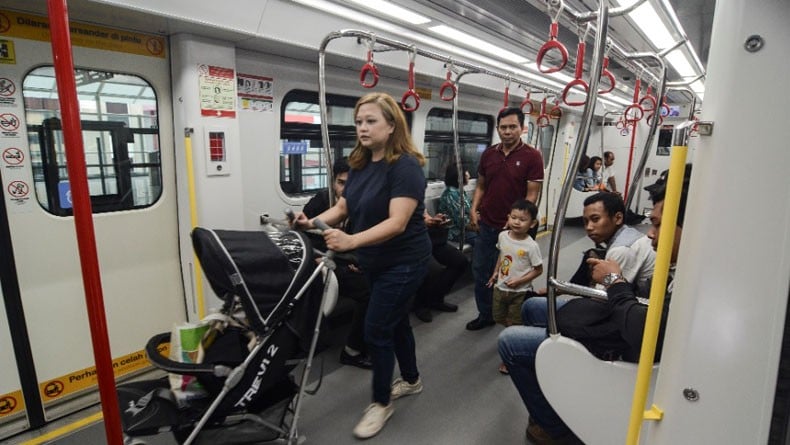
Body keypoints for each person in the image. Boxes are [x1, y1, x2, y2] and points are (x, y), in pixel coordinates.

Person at [497, 164, 692, 445]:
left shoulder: (622, 250)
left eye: (659, 225)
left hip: (624, 335)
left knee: (510, 342)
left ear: (617, 218)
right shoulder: (674, 263)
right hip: (623, 310)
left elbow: (630, 315)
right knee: (532, 308)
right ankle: (552, 380)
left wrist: (612, 279)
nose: (650, 233)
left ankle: (554, 429)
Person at [292, 92, 431, 440]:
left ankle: (381, 403)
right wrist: (310, 222)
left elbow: (397, 222)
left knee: (376, 330)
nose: (362, 128)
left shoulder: (406, 167)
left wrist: (351, 241)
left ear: (391, 124)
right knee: (395, 322)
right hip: (376, 261)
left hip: (404, 262)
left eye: (370, 121)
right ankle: (412, 380)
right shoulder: (359, 164)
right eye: (358, 122)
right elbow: (342, 209)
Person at [525, 192, 656, 326]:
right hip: (627, 305)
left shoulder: (622, 250)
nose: (589, 227)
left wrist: (566, 289)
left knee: (531, 307)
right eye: (585, 221)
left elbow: (600, 298)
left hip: (630, 319)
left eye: (595, 219)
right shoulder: (628, 235)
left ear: (618, 218)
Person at [467, 107, 544, 331]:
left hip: (517, 228)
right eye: (503, 127)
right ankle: (486, 313)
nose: (507, 131)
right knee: (481, 270)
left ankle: (516, 316)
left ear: (522, 128)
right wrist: (474, 209)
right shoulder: (489, 154)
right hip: (488, 223)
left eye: (512, 127)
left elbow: (532, 194)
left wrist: (518, 221)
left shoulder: (532, 156)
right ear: (498, 129)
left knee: (515, 273)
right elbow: (481, 185)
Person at [302, 157, 372, 370]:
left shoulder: (363, 206)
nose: (345, 190)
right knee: (368, 291)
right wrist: (315, 258)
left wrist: (357, 261)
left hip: (345, 260)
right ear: (333, 181)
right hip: (319, 260)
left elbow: (362, 239)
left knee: (374, 283)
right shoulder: (321, 201)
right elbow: (301, 234)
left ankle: (360, 342)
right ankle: (352, 351)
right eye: (341, 183)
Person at [488, 199, 542, 374]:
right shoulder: (503, 236)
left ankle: (510, 358)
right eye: (513, 217)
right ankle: (516, 328)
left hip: (520, 291)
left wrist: (519, 281)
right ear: (508, 217)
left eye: (523, 219)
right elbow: (502, 257)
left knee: (514, 324)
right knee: (498, 316)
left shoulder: (531, 246)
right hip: (501, 287)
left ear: (532, 223)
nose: (516, 222)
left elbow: (538, 270)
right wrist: (495, 273)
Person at [412, 210, 468, 322]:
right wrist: (425, 223)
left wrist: (433, 220)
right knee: (432, 270)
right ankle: (421, 305)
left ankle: (436, 298)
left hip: (428, 237)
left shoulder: (416, 197)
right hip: (411, 242)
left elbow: (425, 216)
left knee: (460, 261)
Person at [437, 162, 477, 246]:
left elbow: (468, 211)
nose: (469, 175)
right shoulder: (452, 194)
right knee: (481, 240)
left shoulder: (460, 191)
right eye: (466, 172)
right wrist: (479, 228)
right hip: (454, 232)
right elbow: (462, 221)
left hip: (464, 228)